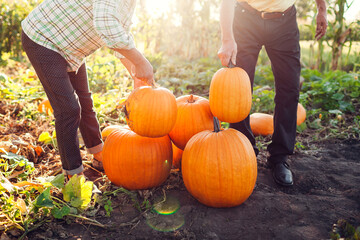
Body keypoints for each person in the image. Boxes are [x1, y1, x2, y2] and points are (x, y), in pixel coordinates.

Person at [21, 0, 154, 178]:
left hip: (70, 46)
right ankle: (73, 175)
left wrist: (136, 73)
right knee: (68, 109)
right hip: (43, 38)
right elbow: (105, 22)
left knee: (85, 102)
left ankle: (99, 155)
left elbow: (120, 33)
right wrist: (140, 61)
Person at [217, 0, 327, 186]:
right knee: (238, 85)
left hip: (284, 22)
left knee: (289, 86)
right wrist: (227, 39)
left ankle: (280, 156)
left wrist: (321, 9)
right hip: (245, 19)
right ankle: (243, 151)